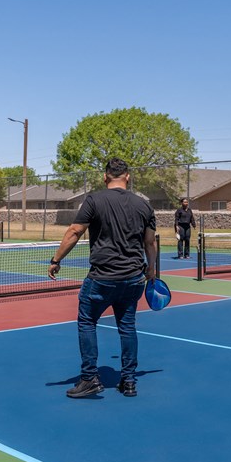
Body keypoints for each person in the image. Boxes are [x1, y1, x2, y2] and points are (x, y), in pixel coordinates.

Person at [48, 158, 158, 398]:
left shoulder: (94, 200)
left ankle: (89, 378)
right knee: (127, 327)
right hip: (133, 278)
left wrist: (56, 260)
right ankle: (128, 381)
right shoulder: (144, 206)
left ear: (105, 177)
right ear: (127, 177)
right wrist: (152, 272)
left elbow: (75, 231)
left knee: (87, 322)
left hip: (102, 277)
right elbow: (150, 242)